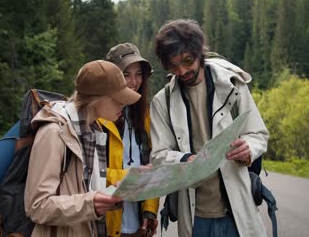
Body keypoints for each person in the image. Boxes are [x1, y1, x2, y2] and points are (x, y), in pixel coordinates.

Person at [150, 19, 269, 237]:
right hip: (196, 218)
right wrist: (185, 160)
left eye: (187, 61)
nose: (182, 70)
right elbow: (158, 156)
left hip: (236, 212)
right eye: (174, 66)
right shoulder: (162, 102)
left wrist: (248, 149)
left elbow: (258, 134)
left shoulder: (234, 85)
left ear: (199, 53)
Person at [24, 60, 141, 237]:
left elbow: (84, 192)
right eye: (117, 99)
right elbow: (37, 206)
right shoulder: (54, 132)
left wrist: (111, 194)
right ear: (96, 99)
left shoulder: (94, 131)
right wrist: (91, 204)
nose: (123, 105)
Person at [97, 43, 159, 237]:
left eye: (139, 74)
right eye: (126, 74)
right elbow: (84, 171)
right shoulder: (97, 116)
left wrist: (150, 209)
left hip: (138, 224)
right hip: (104, 221)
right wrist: (126, 177)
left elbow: (152, 163)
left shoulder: (145, 113)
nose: (134, 82)